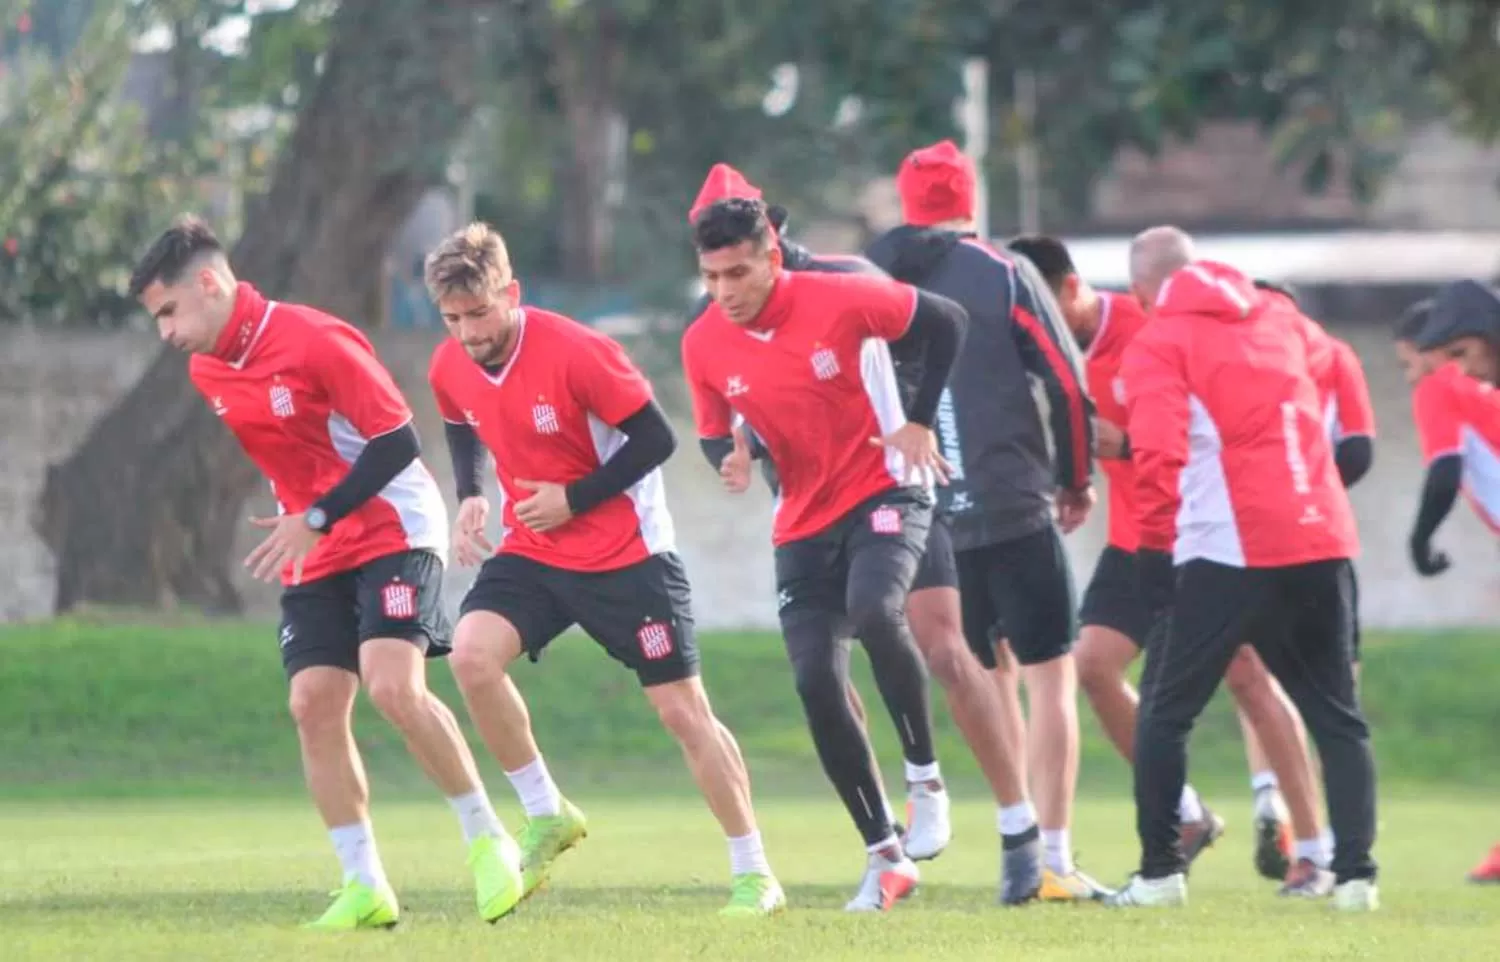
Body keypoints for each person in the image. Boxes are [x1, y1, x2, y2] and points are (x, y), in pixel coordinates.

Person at [128, 216, 523, 930]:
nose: (165, 331)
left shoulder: (314, 338)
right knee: (311, 703)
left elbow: (398, 441)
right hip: (318, 542)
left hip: (393, 524)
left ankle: (489, 839)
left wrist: (314, 515)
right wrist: (307, 520)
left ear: (210, 285)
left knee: (393, 687)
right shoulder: (206, 368)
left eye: (168, 311)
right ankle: (364, 882)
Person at [692, 165, 1041, 903]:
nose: (723, 290)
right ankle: (885, 854)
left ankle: (952, 794)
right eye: (710, 275)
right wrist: (733, 456)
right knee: (816, 677)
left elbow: (943, 321)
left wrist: (915, 419)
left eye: (736, 271)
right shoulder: (704, 339)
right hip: (805, 519)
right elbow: (716, 425)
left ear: (773, 247)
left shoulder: (846, 287)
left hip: (889, 488)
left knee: (907, 623)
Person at [423, 222, 785, 917]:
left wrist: (575, 498)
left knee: (682, 712)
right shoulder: (451, 362)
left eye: (480, 314)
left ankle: (754, 871)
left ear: (512, 293)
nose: (468, 333)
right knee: (469, 655)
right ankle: (545, 810)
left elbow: (655, 437)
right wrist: (472, 493)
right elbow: (459, 417)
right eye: (453, 319)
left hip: (629, 555)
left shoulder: (580, 353)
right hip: (535, 549)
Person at [1008, 235, 1339, 892]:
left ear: (1074, 288)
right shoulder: (1045, 350)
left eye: (1044, 306)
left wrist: (1125, 446)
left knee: (1246, 676)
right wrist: (1076, 478)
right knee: (1092, 666)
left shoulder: (1151, 325)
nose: (1036, 324)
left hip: (1206, 536)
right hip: (1135, 538)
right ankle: (1187, 815)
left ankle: (1314, 850)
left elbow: (1205, 430)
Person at [1105, 228, 1378, 912]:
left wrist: (1150, 550)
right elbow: (1339, 360)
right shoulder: (1280, 316)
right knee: (1339, 719)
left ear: (1144, 294)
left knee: (1164, 716)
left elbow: (1161, 455)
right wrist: (1360, 441)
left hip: (1226, 551)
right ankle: (1355, 879)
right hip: (1322, 538)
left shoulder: (1159, 341)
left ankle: (1161, 874)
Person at [864, 141, 1107, 902]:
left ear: (906, 202)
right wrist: (1076, 479)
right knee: (1050, 679)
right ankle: (1053, 859)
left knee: (981, 675)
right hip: (1015, 505)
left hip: (926, 517)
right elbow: (1065, 382)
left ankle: (1018, 834)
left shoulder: (874, 280)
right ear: (971, 201)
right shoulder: (1005, 272)